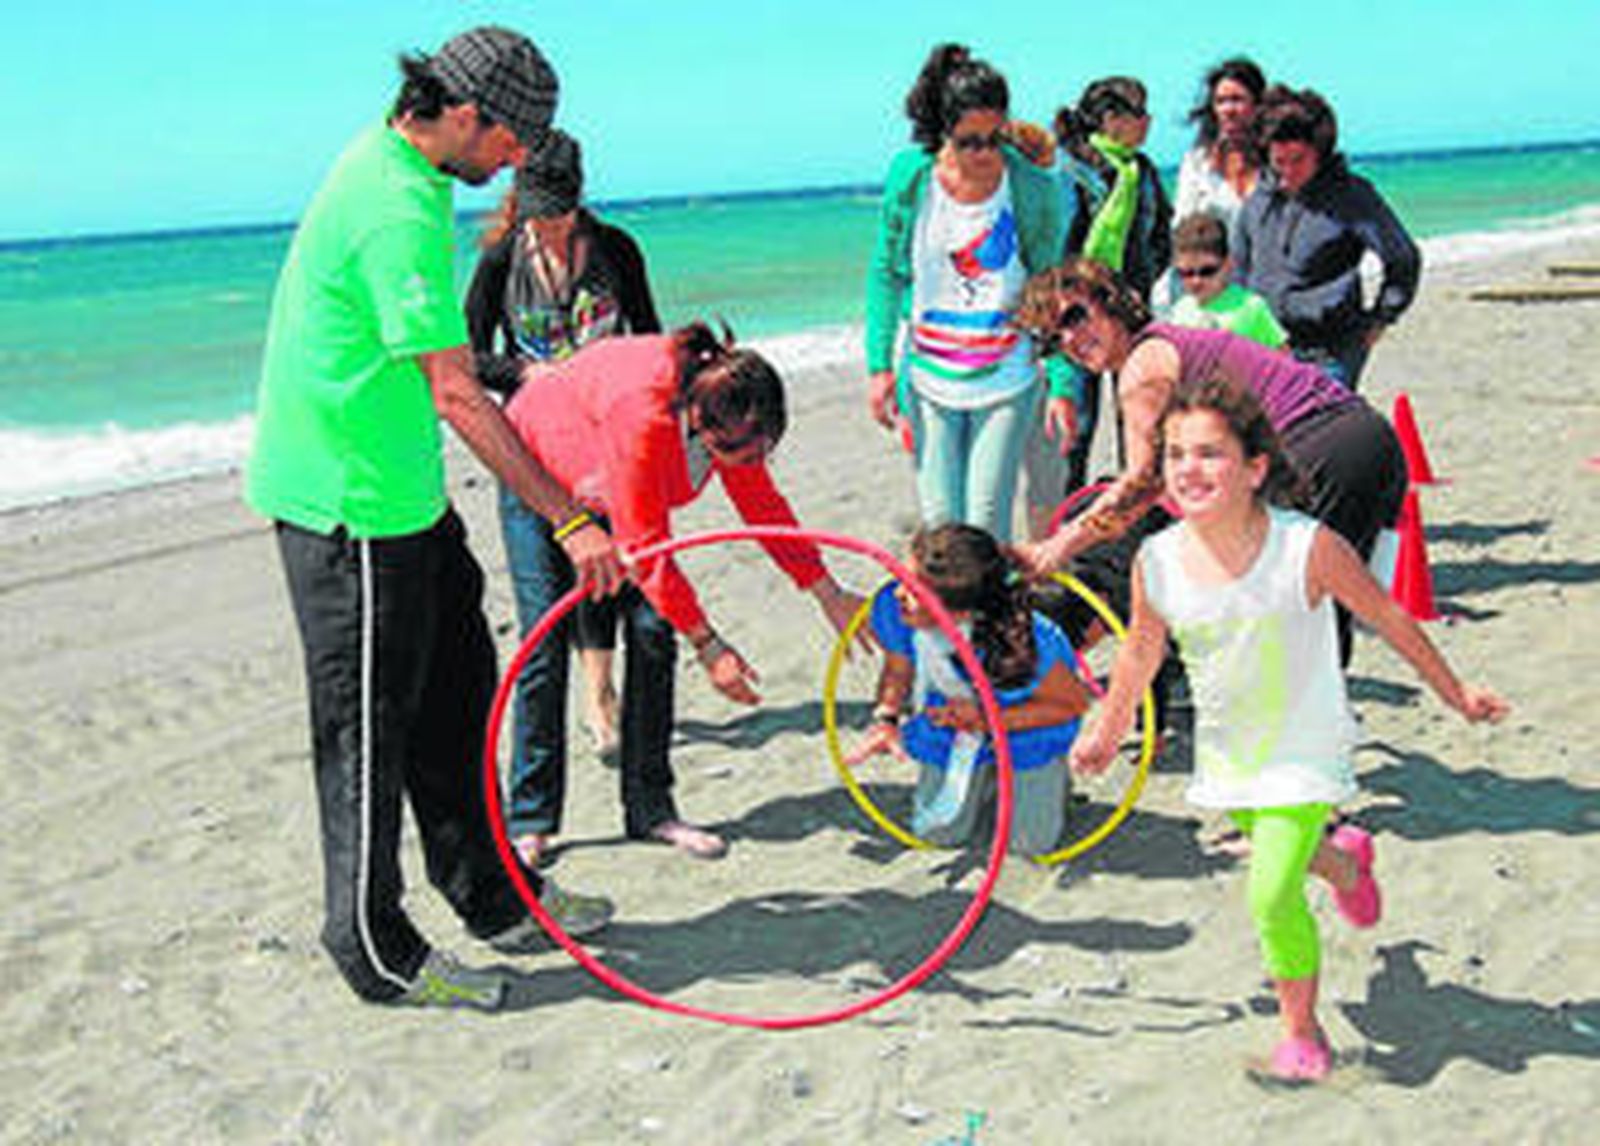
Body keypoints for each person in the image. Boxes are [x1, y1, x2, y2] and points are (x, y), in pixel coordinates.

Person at [244, 28, 622, 1011]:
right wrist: (569, 517)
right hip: (345, 510)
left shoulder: (404, 169)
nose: (515, 164)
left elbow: (433, 374)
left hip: (405, 492)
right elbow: (457, 394)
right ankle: (375, 949)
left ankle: (490, 893)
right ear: (463, 114)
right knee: (367, 731)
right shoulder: (391, 208)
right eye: (511, 143)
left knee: (458, 691)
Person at [1070, 378, 1508, 1082]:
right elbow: (1140, 651)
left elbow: (1391, 616)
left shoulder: (1307, 548)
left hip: (1308, 747)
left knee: (1270, 891)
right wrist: (1107, 725)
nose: (1189, 468)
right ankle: (1345, 862)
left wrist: (1455, 693)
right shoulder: (1158, 562)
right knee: (1289, 849)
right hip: (1231, 753)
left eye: (1211, 453)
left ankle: (1302, 1036)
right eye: (1176, 453)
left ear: (1254, 468)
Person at [502, 324, 865, 863]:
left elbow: (763, 508)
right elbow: (647, 550)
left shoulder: (730, 409)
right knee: (546, 643)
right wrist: (710, 645)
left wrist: (828, 593)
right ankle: (531, 822)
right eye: (735, 449)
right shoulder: (645, 413)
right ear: (696, 418)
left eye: (758, 447)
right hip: (539, 472)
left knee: (652, 635)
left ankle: (651, 811)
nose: (747, 457)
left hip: (613, 485)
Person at [1014, 258, 1408, 665]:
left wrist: (1058, 546)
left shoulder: (1142, 367)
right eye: (1054, 336)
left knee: (1292, 621)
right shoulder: (1161, 344)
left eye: (1076, 316)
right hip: (1367, 441)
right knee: (1312, 615)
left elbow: (1140, 484)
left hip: (1321, 450)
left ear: (1110, 302)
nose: (1071, 338)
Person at [466, 129, 661, 775]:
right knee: (543, 606)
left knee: (605, 576)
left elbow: (649, 339)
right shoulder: (500, 260)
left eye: (560, 215)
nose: (549, 228)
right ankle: (545, 776)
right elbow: (466, 357)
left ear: (578, 202)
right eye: (537, 216)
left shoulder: (615, 250)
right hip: (530, 444)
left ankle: (601, 694)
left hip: (604, 444)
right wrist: (524, 374)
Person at [865, 42, 1075, 544]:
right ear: (944, 132)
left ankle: (992, 622)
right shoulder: (911, 177)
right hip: (929, 380)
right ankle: (950, 623)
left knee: (984, 523)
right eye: (968, 141)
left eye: (993, 138)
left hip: (1007, 378)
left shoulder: (1033, 188)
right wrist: (879, 368)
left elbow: (1052, 290)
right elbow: (885, 273)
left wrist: (1063, 386)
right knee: (941, 525)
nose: (983, 153)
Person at [845, 524, 1090, 857]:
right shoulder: (896, 607)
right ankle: (986, 776)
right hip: (950, 724)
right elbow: (898, 668)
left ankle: (1049, 781)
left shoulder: (1027, 642)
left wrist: (989, 720)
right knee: (937, 833)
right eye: (903, 575)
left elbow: (1070, 704)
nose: (899, 592)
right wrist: (886, 718)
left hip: (1028, 731)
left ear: (957, 612)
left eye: (914, 589)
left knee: (1029, 845)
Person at [1236, 86, 1421, 390]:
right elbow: (1241, 267)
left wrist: (1382, 318)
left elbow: (1402, 258)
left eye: (1298, 160)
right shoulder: (1259, 199)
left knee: (1320, 434)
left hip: (1331, 351)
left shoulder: (1352, 195)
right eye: (1279, 161)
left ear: (1320, 153)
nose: (1288, 172)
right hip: (1265, 348)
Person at [1052, 77, 1173, 503]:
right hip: (1079, 316)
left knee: (1138, 417)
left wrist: (1135, 290)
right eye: (1140, 113)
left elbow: (1162, 237)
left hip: (1129, 316)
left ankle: (1130, 513)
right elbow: (1056, 246)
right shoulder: (1068, 169)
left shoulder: (1144, 170)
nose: (1148, 122)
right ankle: (1069, 514)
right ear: (1110, 120)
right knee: (1078, 424)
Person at [1173, 57, 1269, 256]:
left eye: (1237, 99)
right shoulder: (1198, 164)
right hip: (1209, 274)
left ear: (1258, 105)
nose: (1228, 110)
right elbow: (1181, 229)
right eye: (1220, 101)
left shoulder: (1276, 161)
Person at [1168, 212, 1287, 349]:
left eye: (1207, 271)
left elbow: (1284, 360)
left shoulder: (1251, 308)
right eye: (1187, 273)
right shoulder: (1180, 310)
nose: (1196, 281)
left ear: (1228, 265)